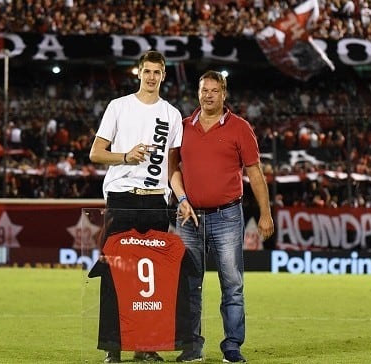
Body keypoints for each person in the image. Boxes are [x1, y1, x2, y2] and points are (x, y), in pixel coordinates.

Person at [170, 70, 274, 363]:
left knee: (232, 283)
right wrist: (181, 199)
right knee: (190, 283)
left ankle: (232, 346)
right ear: (198, 92)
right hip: (188, 218)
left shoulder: (240, 127)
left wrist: (265, 214)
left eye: (215, 90)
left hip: (227, 215)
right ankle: (192, 347)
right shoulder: (182, 127)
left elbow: (255, 173)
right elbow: (172, 170)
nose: (209, 95)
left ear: (224, 94)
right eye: (204, 90)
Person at [88, 50, 183, 363]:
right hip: (122, 197)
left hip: (156, 200)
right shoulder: (119, 107)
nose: (152, 77)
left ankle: (146, 346)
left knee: (154, 278)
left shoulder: (172, 115)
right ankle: (113, 347)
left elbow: (173, 167)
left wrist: (180, 197)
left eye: (157, 72)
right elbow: (96, 153)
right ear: (138, 73)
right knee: (113, 273)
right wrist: (126, 157)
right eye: (147, 71)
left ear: (164, 75)